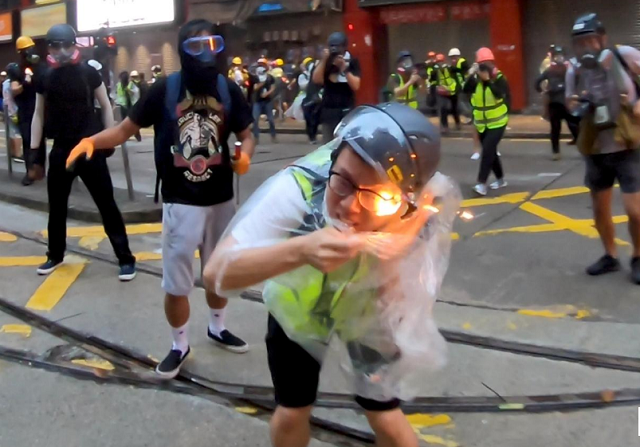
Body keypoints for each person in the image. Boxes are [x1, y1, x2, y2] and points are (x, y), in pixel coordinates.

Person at [204, 103, 454, 447]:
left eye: (376, 196)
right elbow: (216, 274)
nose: (349, 206)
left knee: (384, 412)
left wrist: (398, 245)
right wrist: (301, 250)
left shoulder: (417, 196)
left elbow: (431, 206)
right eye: (344, 182)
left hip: (365, 308)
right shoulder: (300, 188)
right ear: (333, 160)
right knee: (293, 410)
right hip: (298, 310)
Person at [66, 19, 256, 377]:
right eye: (196, 46)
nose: (206, 53)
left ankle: (217, 326)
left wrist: (245, 155)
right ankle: (179, 344)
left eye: (211, 44)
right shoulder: (164, 90)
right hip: (181, 200)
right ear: (183, 49)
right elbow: (125, 130)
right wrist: (92, 141)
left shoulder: (229, 89)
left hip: (221, 199)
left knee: (218, 274)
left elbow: (247, 133)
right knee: (177, 281)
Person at [29, 24, 136, 280]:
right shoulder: (44, 76)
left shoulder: (88, 72)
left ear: (74, 44)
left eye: (66, 45)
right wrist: (34, 152)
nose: (63, 51)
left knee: (106, 204)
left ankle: (125, 258)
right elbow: (38, 114)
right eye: (56, 46)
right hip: (61, 148)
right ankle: (55, 254)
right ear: (50, 48)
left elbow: (106, 105)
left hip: (89, 147)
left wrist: (107, 138)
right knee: (57, 206)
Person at [566, 13, 640, 283]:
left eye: (591, 41)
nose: (586, 48)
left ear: (603, 39)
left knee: (635, 211)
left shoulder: (625, 56)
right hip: (596, 147)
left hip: (627, 143)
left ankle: (638, 256)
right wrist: (577, 103)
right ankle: (610, 256)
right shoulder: (575, 69)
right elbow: (570, 105)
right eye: (580, 43)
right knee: (600, 210)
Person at [464, 47, 510, 196]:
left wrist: (488, 81)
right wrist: (470, 75)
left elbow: (500, 95)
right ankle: (501, 179)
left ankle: (481, 183)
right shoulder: (475, 79)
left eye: (487, 64)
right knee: (491, 152)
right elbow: (465, 90)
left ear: (493, 63)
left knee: (488, 150)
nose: (485, 67)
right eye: (481, 64)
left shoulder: (499, 78)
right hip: (482, 124)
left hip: (498, 122)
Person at [10, 35, 46, 186]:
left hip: (40, 107)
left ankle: (40, 170)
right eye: (25, 50)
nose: (29, 53)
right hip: (25, 110)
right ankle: (30, 172)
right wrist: (25, 82)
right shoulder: (16, 69)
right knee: (28, 141)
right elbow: (14, 90)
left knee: (41, 141)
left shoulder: (41, 66)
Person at [313, 32, 361, 143]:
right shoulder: (326, 62)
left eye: (337, 47)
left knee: (345, 144)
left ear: (344, 47)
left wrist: (344, 68)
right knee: (328, 146)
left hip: (346, 110)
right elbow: (317, 80)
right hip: (329, 111)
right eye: (332, 46)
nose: (335, 50)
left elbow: (356, 86)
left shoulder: (352, 61)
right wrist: (324, 60)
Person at [535, 45, 579, 160]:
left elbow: (578, 79)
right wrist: (542, 91)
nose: (559, 58)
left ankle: (561, 152)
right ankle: (557, 152)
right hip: (559, 103)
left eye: (560, 56)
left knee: (569, 126)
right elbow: (537, 82)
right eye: (557, 56)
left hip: (562, 102)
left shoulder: (561, 69)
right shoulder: (557, 69)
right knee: (560, 128)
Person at [431, 53, 460, 133]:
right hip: (442, 91)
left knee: (454, 108)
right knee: (443, 108)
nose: (440, 63)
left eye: (441, 61)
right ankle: (445, 126)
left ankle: (458, 123)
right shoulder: (435, 71)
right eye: (438, 62)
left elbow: (457, 71)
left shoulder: (449, 68)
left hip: (452, 90)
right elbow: (432, 79)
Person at [251, 58, 277, 144]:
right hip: (257, 101)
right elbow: (254, 88)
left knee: (270, 119)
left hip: (267, 101)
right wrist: (261, 82)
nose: (261, 66)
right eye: (260, 64)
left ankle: (273, 135)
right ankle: (256, 137)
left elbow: (273, 87)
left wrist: (268, 93)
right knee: (255, 119)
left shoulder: (270, 77)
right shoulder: (255, 77)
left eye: (263, 65)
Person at [4, 63, 22, 162]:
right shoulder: (12, 83)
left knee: (11, 132)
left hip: (8, 109)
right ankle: (18, 154)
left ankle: (12, 152)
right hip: (14, 109)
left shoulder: (5, 82)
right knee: (17, 133)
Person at [449, 48, 472, 125]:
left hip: (466, 86)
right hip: (462, 86)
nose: (453, 59)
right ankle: (470, 117)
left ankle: (471, 116)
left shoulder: (462, 62)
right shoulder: (455, 64)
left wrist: (456, 69)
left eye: (454, 57)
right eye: (451, 57)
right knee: (464, 102)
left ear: (458, 56)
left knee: (464, 102)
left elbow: (466, 72)